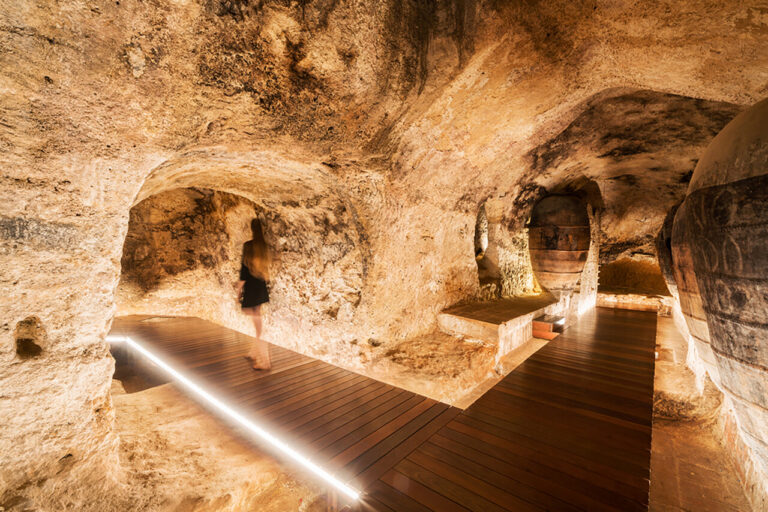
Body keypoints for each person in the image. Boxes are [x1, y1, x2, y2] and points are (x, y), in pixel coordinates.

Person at [237, 219, 272, 370]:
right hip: (260, 286)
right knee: (256, 319)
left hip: (251, 287)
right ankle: (253, 352)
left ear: (251, 229)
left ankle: (265, 362)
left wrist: (238, 292)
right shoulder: (263, 247)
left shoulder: (248, 246)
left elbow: (243, 271)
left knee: (258, 326)